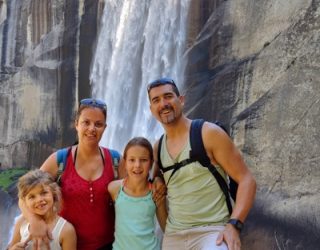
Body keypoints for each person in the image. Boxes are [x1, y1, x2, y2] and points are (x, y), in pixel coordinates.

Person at [147, 78, 257, 250]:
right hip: (174, 236)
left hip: (212, 232)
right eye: (156, 100)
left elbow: (246, 180)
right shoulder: (157, 148)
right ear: (151, 109)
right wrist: (158, 180)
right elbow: (155, 188)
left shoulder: (209, 134)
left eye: (168, 96)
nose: (163, 104)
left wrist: (234, 225)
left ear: (181, 100)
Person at [19, 98, 124, 250]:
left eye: (98, 124)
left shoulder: (115, 160)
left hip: (108, 245)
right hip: (65, 245)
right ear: (76, 124)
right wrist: (35, 221)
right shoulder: (59, 160)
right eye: (86, 122)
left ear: (105, 127)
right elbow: (24, 197)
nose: (92, 128)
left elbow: (136, 192)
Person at [108, 137, 167, 250]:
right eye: (132, 160)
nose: (137, 165)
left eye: (144, 160)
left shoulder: (155, 193)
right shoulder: (114, 189)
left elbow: (165, 227)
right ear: (124, 163)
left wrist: (159, 180)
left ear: (151, 163)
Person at [7, 170, 76, 250]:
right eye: (32, 197)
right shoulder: (21, 222)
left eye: (44, 193)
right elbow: (11, 246)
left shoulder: (66, 230)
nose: (39, 199)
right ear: (24, 201)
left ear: (53, 194)